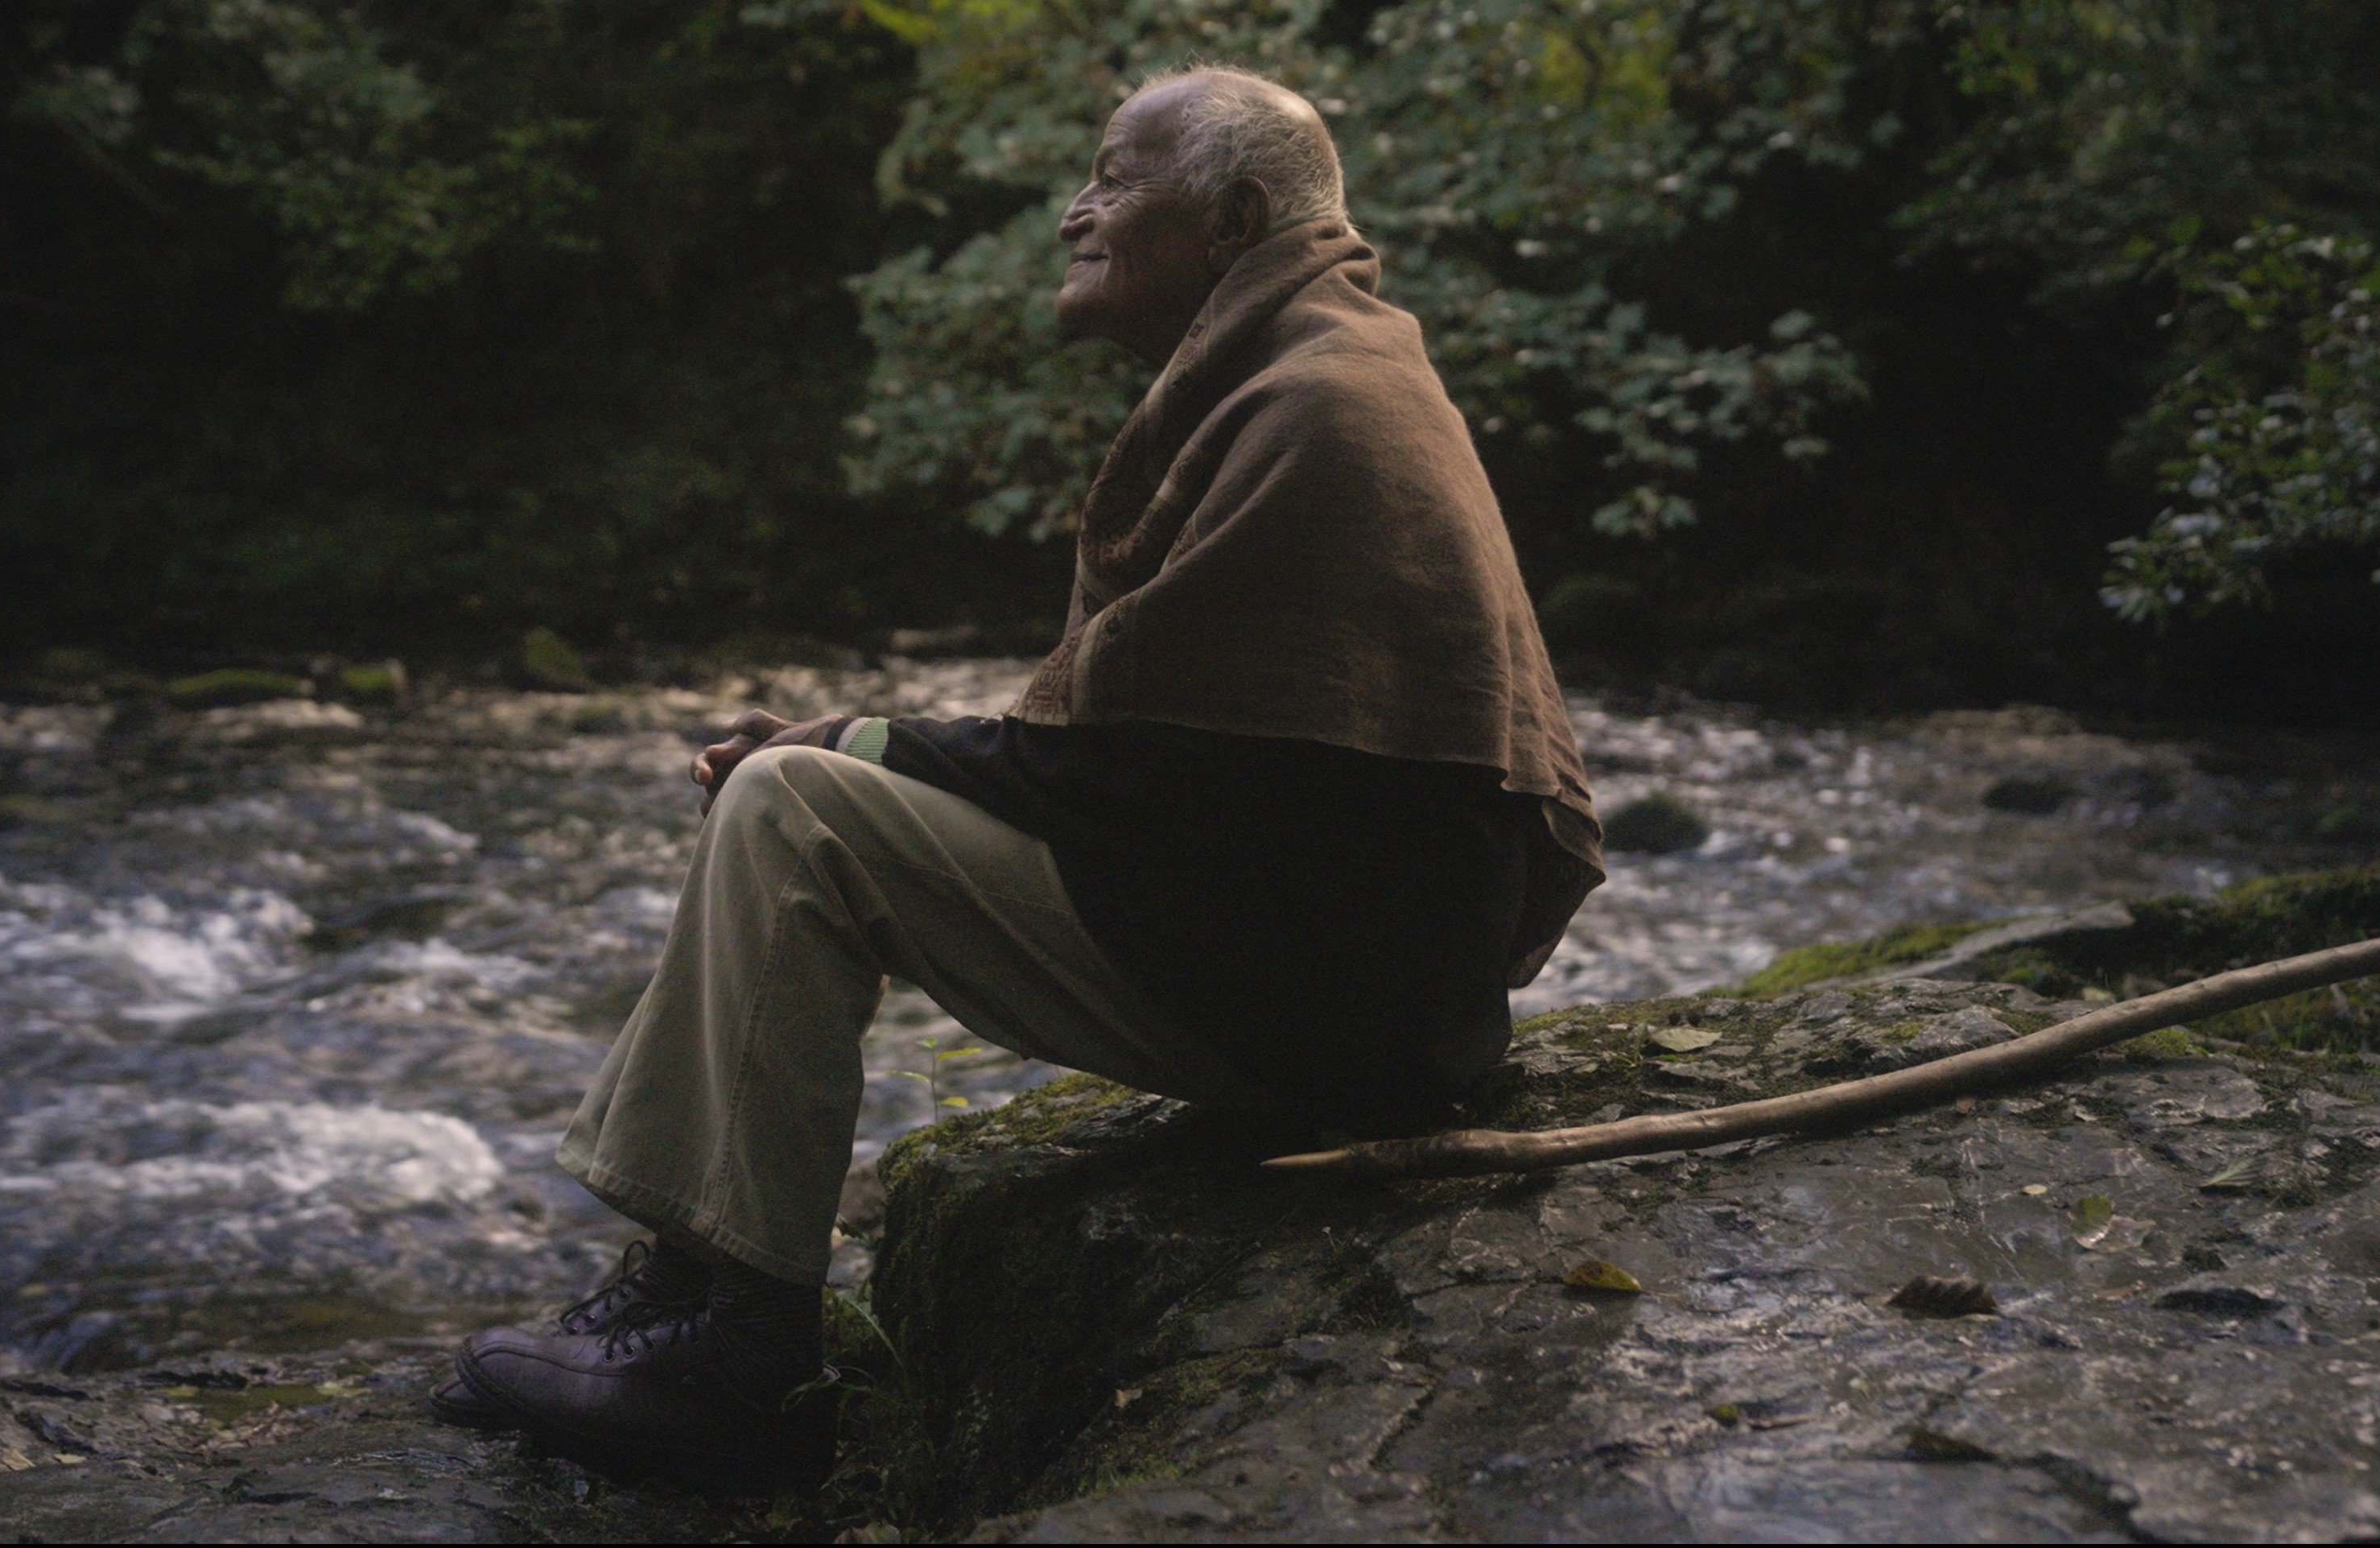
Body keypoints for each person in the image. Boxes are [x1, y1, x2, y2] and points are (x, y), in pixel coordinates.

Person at [429, 64, 1603, 1488]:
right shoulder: (1318, 365)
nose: (1074, 211)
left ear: (1233, 217)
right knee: (809, 786)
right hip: (1315, 967)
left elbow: (1138, 777)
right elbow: (1163, 765)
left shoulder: (1323, 402)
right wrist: (875, 738)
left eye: (1115, 177)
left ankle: (738, 1351)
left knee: (794, 813)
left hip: (1332, 1017)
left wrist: (855, 742)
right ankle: (685, 1288)